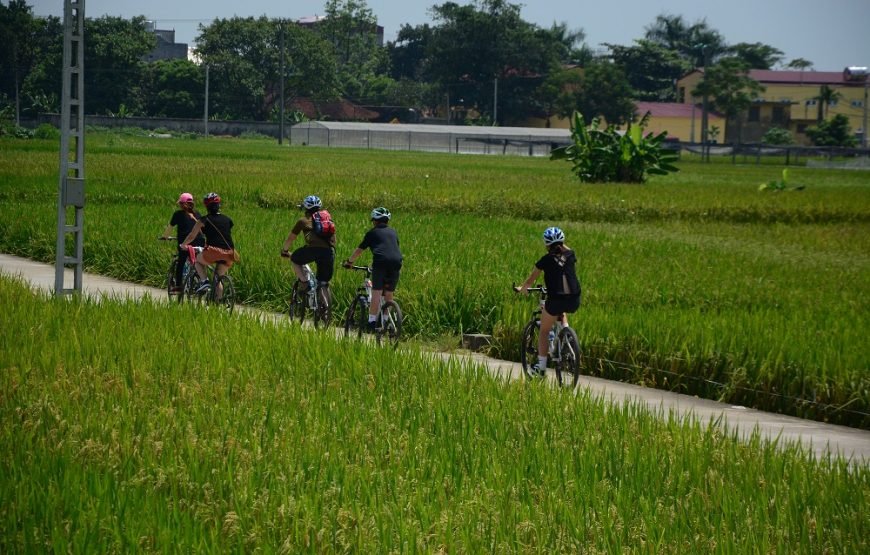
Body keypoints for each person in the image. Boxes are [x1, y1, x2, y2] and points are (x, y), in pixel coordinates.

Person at [515, 227, 581, 376]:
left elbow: (531, 279)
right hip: (574, 299)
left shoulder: (545, 260)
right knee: (562, 310)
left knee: (544, 331)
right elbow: (566, 251)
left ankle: (541, 368)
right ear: (562, 242)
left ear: (546, 244)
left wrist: (524, 288)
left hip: (555, 300)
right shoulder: (570, 255)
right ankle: (567, 336)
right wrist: (562, 244)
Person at [342, 207, 403, 331]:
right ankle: (386, 321)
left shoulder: (372, 233)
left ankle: (371, 322)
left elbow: (359, 250)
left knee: (376, 291)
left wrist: (349, 262)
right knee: (388, 293)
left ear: (375, 221)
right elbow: (393, 247)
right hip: (397, 261)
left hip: (380, 262)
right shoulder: (393, 232)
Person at [180, 192, 235, 300]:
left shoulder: (204, 220)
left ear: (206, 206)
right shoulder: (228, 220)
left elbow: (192, 235)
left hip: (212, 252)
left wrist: (183, 244)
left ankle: (204, 281)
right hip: (230, 253)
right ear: (219, 205)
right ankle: (218, 302)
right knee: (218, 277)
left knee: (197, 260)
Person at [281, 195, 336, 300]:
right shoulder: (328, 220)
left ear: (306, 208)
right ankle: (325, 309)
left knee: (295, 259)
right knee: (323, 282)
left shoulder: (303, 221)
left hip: (313, 250)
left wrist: (285, 250)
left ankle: (305, 283)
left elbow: (290, 238)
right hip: (329, 252)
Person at [160, 192, 204, 292]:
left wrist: (165, 237)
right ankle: (199, 280)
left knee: (181, 262)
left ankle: (179, 284)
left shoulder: (178, 214)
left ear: (181, 204)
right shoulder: (197, 214)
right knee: (197, 262)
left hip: (186, 243)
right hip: (200, 242)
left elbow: (169, 228)